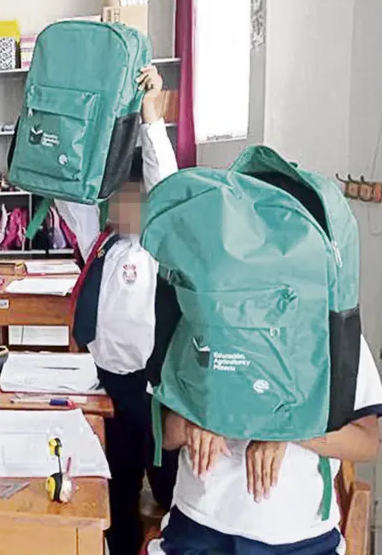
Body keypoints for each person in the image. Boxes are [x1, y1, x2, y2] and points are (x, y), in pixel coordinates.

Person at [55, 65, 179, 555]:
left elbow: (165, 181)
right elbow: (70, 196)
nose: (124, 206)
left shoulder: (160, 245)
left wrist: (150, 118)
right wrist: (63, 128)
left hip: (154, 391)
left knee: (168, 487)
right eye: (117, 199)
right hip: (109, 383)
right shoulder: (102, 243)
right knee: (119, 484)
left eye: (137, 198)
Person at [150, 334, 382, 553]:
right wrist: (197, 419)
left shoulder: (332, 323)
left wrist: (285, 429)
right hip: (196, 529)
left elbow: (366, 441)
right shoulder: (198, 312)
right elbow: (164, 438)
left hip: (302, 540)